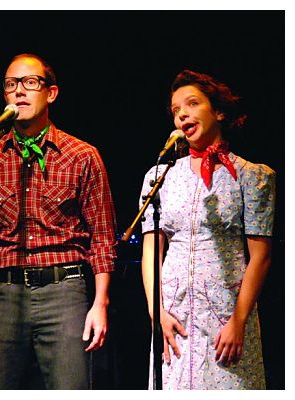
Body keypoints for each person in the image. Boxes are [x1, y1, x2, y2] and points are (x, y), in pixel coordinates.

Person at [0, 53, 117, 389]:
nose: (19, 92)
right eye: (11, 84)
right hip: (2, 294)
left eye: (30, 83)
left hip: (64, 292)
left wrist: (100, 302)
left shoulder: (82, 156)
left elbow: (102, 237)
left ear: (51, 93)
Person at [140, 70, 275, 390]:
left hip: (226, 313)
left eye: (192, 103)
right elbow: (150, 250)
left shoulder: (252, 176)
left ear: (218, 111)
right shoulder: (160, 176)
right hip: (173, 315)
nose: (182, 113)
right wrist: (156, 313)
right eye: (176, 110)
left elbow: (261, 257)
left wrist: (239, 321)